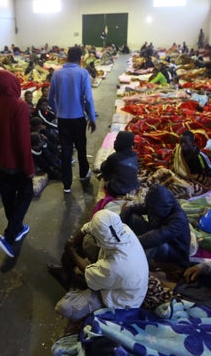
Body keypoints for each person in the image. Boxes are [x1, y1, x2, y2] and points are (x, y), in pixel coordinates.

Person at [54, 210, 148, 322]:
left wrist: (71, 251)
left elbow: (89, 272)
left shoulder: (117, 265)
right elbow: (88, 228)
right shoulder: (121, 229)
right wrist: (73, 241)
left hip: (120, 303)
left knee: (65, 307)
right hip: (115, 276)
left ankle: (86, 307)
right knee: (88, 239)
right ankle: (69, 276)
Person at [0, 70, 35, 258]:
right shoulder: (19, 106)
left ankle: (18, 227)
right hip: (16, 163)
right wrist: (29, 168)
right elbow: (24, 141)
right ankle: (9, 235)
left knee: (8, 196)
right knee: (26, 194)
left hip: (0, 162)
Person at [48, 46, 97, 193]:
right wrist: (92, 118)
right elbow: (88, 99)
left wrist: (58, 112)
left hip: (63, 120)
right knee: (81, 147)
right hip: (78, 118)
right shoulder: (83, 73)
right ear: (81, 58)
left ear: (67, 57)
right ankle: (83, 175)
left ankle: (67, 185)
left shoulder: (57, 74)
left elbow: (51, 99)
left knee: (66, 151)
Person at [120, 184, 191, 268]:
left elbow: (158, 237)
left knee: (154, 242)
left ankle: (138, 267)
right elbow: (132, 208)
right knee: (133, 216)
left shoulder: (179, 219)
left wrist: (132, 243)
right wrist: (119, 224)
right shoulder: (155, 205)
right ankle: (123, 239)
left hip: (174, 251)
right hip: (156, 234)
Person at [175, 130, 211, 196]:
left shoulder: (199, 156)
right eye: (181, 142)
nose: (182, 145)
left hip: (197, 176)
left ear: (192, 143)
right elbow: (174, 163)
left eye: (185, 142)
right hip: (184, 175)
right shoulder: (179, 152)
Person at [98, 131, 139, 197]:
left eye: (116, 140)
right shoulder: (135, 154)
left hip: (117, 190)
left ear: (120, 143)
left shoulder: (114, 157)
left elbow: (104, 169)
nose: (115, 142)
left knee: (106, 172)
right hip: (133, 188)